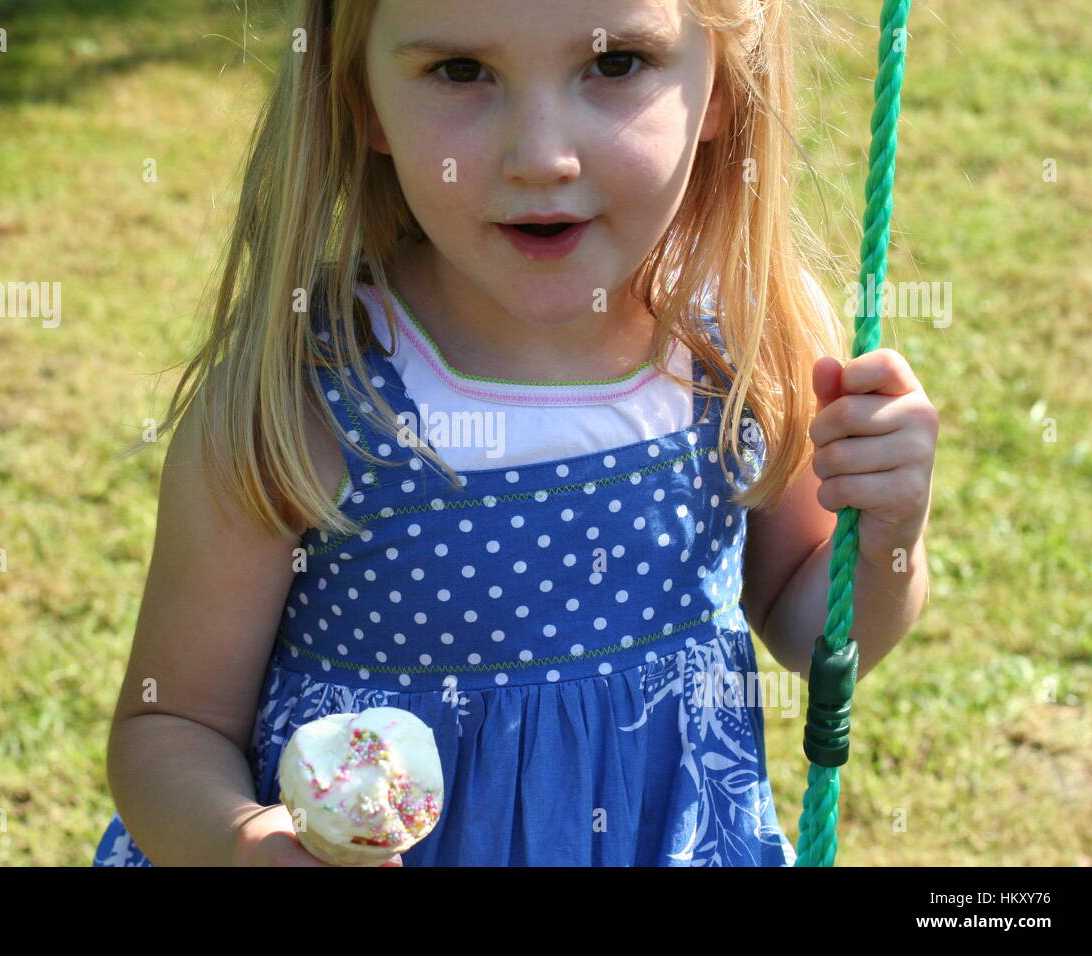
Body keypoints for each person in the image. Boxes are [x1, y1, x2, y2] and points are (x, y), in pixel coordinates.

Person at [93, 0, 938, 867]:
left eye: (615, 66)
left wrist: (885, 546)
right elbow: (173, 721)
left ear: (722, 83)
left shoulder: (750, 334)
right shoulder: (311, 394)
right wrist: (239, 844)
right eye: (462, 71)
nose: (542, 157)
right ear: (363, 101)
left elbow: (814, 628)